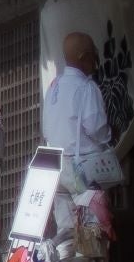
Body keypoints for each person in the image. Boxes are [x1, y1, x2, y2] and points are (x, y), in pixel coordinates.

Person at [42, 33, 114, 183]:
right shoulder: (86, 87)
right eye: (93, 54)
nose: (95, 60)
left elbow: (46, 130)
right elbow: (95, 128)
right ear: (84, 57)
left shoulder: (54, 86)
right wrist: (110, 134)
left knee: (64, 207)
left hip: (57, 170)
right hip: (83, 167)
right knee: (91, 205)